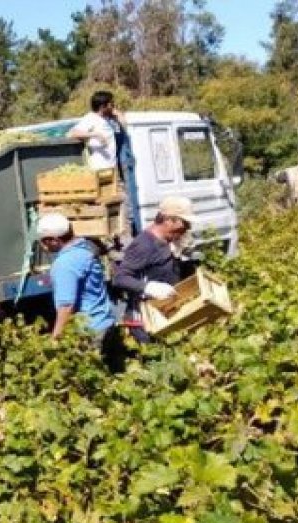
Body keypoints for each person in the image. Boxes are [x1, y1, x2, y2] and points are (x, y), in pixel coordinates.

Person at [38, 212, 125, 371]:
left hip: (90, 332)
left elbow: (66, 306)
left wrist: (55, 338)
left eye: (44, 242)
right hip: (105, 322)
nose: (43, 247)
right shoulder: (86, 249)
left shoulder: (66, 263)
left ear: (54, 240)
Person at [112, 196, 196, 343]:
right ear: (169, 220)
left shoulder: (169, 240)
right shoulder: (144, 245)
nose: (187, 228)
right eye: (185, 223)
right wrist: (148, 287)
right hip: (145, 321)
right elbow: (120, 278)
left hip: (164, 313)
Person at [68, 91, 123, 173]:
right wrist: (95, 134)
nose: (113, 106)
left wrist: (117, 114)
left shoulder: (107, 118)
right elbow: (73, 133)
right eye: (111, 104)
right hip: (99, 168)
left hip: (111, 167)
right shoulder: (91, 118)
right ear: (102, 106)